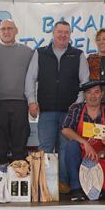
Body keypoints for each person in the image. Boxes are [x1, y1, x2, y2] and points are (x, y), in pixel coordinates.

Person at [25, 21, 89, 192]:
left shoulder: (78, 55)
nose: (63, 35)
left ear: (70, 35)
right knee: (45, 147)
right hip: (46, 111)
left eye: (66, 32)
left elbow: (85, 83)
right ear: (53, 33)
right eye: (59, 32)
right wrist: (31, 101)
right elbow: (30, 78)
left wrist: (77, 105)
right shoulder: (40, 53)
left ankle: (62, 184)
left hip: (70, 113)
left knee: (65, 149)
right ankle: (43, 186)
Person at [61, 80, 105, 201]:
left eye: (97, 92)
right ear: (84, 95)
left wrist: (103, 152)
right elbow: (65, 130)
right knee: (71, 146)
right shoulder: (77, 109)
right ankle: (76, 189)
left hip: (100, 159)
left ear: (102, 94)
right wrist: (84, 142)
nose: (93, 96)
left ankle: (93, 189)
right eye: (89, 92)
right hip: (81, 156)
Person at [0, 19, 34, 166]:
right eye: (3, 29)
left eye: (9, 28)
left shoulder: (28, 52)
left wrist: (33, 101)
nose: (6, 32)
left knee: (19, 149)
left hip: (20, 104)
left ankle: (19, 183)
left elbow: (33, 78)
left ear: (16, 30)